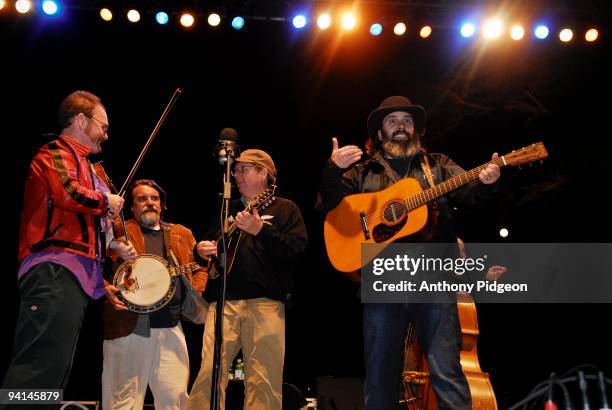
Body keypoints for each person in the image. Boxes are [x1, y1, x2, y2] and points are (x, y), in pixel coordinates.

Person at [317, 95, 501, 410]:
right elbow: (329, 206)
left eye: (407, 120)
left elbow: (470, 198)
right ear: (379, 133)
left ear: (416, 130)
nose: (401, 126)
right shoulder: (362, 172)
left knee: (447, 372)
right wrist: (332, 170)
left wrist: (486, 183)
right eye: (392, 121)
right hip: (384, 280)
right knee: (380, 379)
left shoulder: (438, 166)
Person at [2, 90, 135, 393]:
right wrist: (105, 201)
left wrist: (104, 273)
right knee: (38, 365)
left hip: (68, 274)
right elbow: (68, 192)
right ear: (80, 120)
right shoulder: (55, 152)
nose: (106, 135)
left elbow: (85, 231)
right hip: (53, 270)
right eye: (103, 126)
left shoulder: (86, 165)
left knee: (53, 369)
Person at [187, 149, 308, 410]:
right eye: (235, 170)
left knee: (264, 380)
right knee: (209, 373)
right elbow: (207, 255)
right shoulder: (225, 210)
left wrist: (261, 230)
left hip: (266, 303)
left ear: (263, 173)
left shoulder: (285, 208)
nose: (235, 175)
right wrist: (201, 252)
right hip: (223, 303)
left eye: (243, 169)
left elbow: (296, 249)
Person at [102, 179, 207, 410]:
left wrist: (194, 290)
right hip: (128, 325)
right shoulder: (119, 231)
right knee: (123, 399)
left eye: (154, 198)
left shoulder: (182, 233)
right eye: (141, 199)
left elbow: (200, 268)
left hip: (171, 326)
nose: (149, 203)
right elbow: (96, 257)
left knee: (175, 398)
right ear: (131, 207)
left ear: (162, 205)